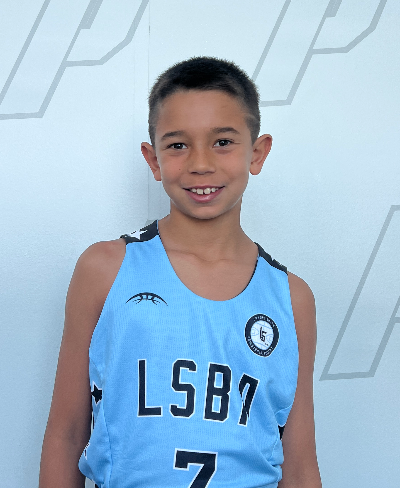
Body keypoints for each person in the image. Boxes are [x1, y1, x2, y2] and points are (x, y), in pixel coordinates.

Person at [39, 57, 322, 488]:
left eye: (222, 141)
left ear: (257, 152)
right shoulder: (105, 270)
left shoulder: (290, 298)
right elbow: (67, 434)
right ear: (152, 159)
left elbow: (299, 465)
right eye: (177, 145)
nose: (200, 163)